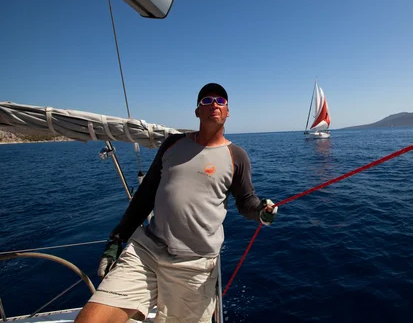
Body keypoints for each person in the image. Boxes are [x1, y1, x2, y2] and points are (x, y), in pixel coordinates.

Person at [75, 83, 278, 323]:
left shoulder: (236, 156)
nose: (214, 104)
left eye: (221, 101)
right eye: (207, 100)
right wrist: (118, 238)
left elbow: (245, 200)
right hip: (146, 251)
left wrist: (260, 211)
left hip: (195, 265)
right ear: (197, 112)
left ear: (228, 111)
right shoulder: (172, 144)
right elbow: (146, 194)